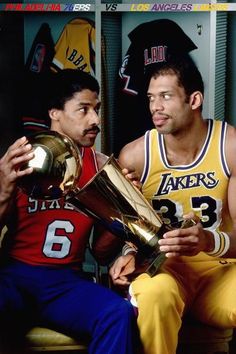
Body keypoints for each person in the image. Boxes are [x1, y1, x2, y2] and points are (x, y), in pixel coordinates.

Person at [0, 69, 139, 354]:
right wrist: (3, 188)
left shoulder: (100, 166)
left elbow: (100, 252)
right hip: (15, 277)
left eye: (97, 109)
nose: (95, 120)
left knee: (117, 314)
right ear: (55, 112)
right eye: (84, 109)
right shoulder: (22, 157)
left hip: (66, 281)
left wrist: (120, 209)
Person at [109, 55, 236, 354]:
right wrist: (127, 253)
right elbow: (128, 234)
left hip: (218, 271)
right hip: (165, 272)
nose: (155, 106)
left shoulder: (229, 146)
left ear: (194, 99)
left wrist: (207, 239)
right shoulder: (135, 156)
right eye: (152, 98)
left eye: (166, 96)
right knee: (154, 294)